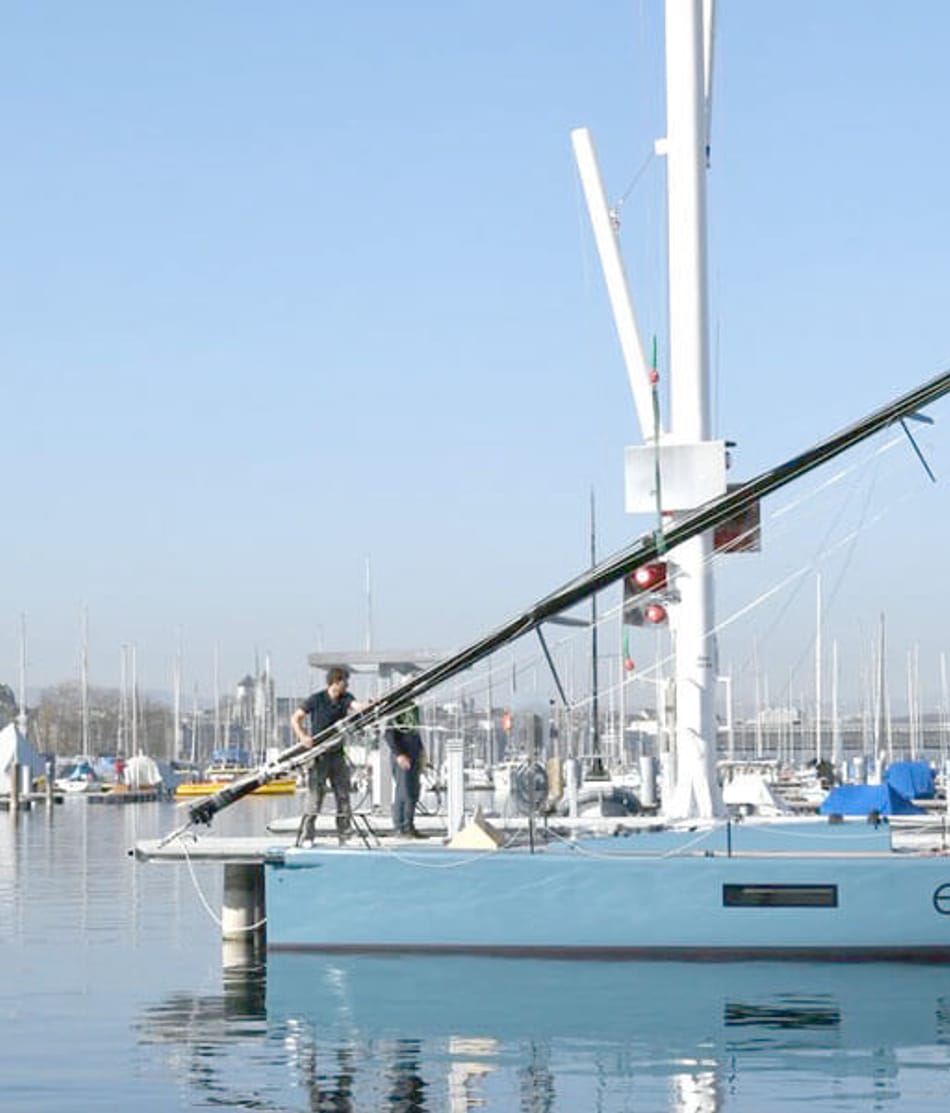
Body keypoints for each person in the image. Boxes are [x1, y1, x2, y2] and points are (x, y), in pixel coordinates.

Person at [291, 666, 372, 842]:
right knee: (315, 798)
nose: (347, 685)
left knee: (343, 795)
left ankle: (345, 835)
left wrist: (371, 704)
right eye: (345, 681)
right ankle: (307, 836)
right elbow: (296, 718)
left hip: (337, 755)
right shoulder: (316, 699)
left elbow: (357, 707)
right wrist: (303, 736)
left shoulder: (346, 698)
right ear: (336, 682)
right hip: (319, 755)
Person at [385, 703, 427, 838]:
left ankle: (409, 826)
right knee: (404, 791)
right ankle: (400, 828)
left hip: (414, 753)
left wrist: (421, 751)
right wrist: (399, 754)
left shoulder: (414, 708)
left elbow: (415, 731)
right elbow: (389, 733)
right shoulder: (397, 707)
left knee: (413, 792)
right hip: (403, 754)